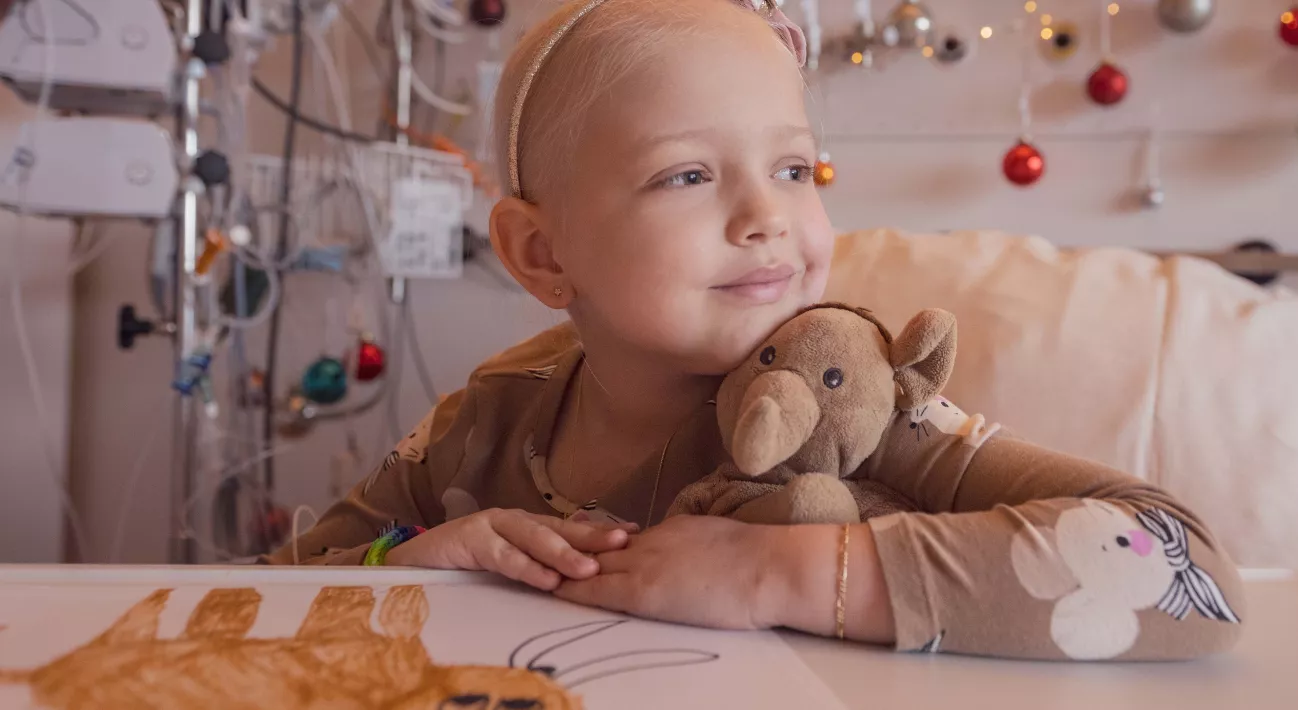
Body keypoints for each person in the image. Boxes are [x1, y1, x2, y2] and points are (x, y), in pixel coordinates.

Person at [267, 0, 1245, 661]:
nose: (766, 216)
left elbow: (1188, 568)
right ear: (542, 254)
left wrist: (776, 570)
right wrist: (417, 562)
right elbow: (272, 593)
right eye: (688, 175)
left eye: (794, 170)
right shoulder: (483, 421)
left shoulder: (859, 401)